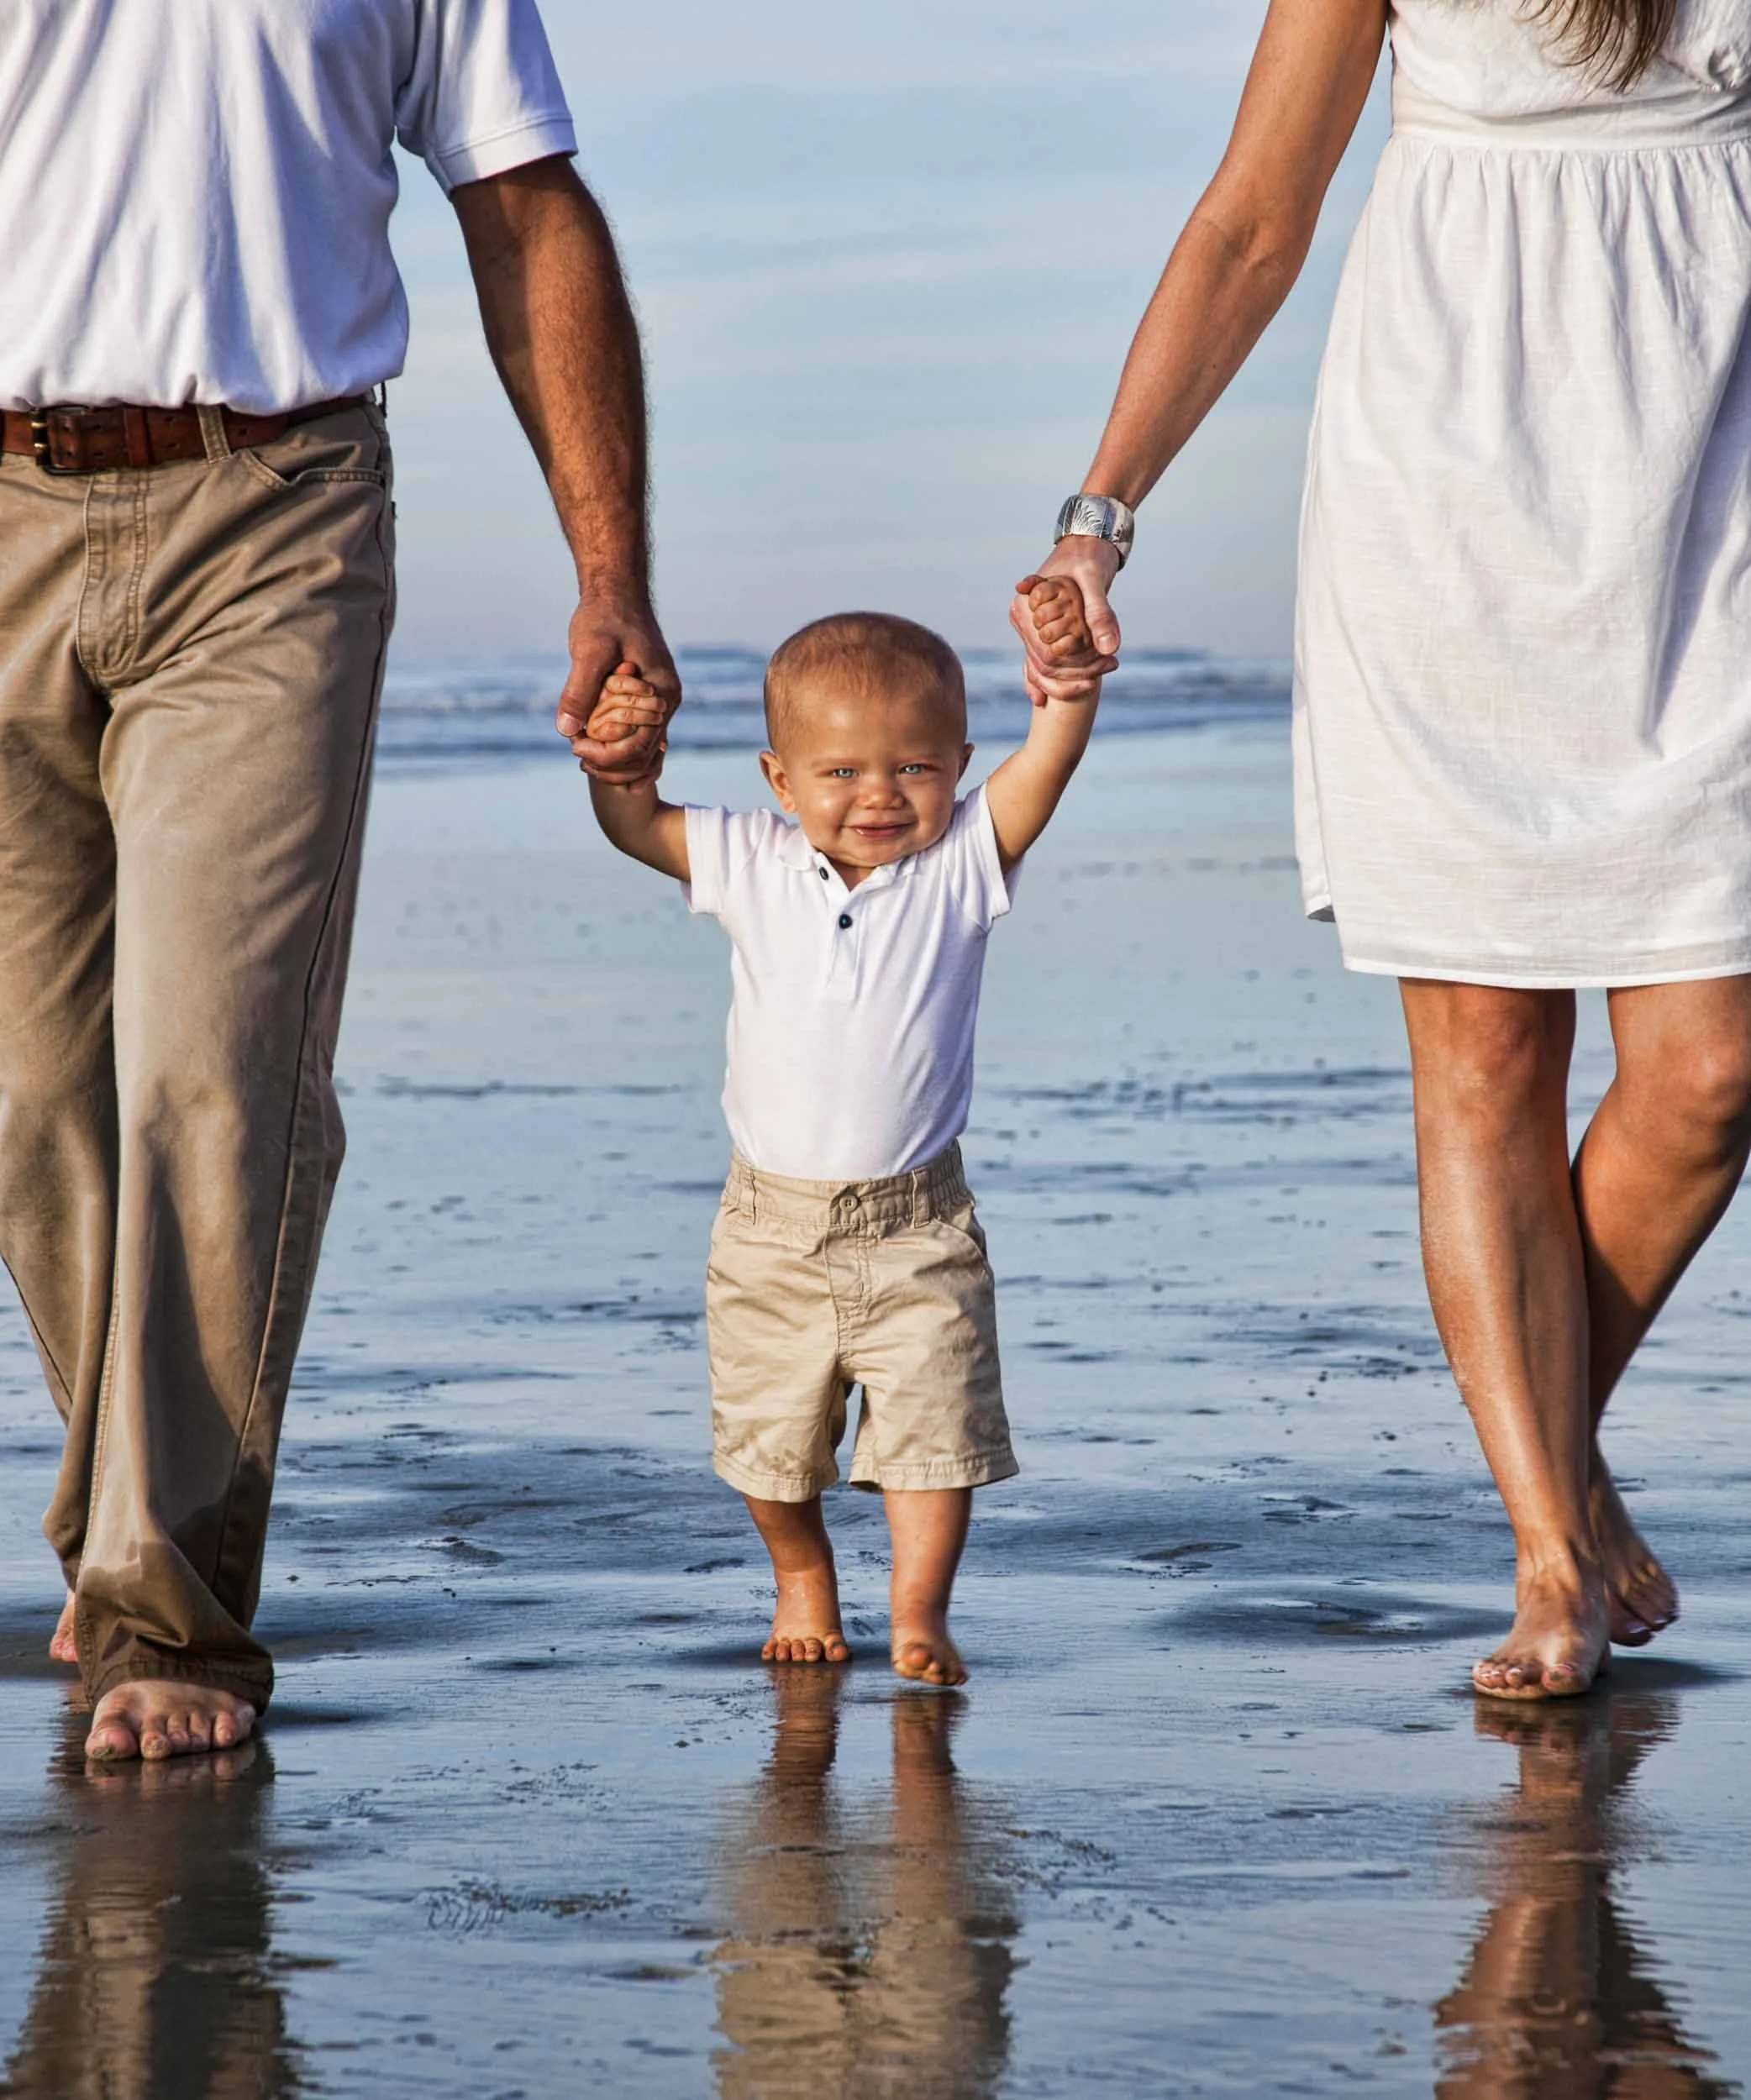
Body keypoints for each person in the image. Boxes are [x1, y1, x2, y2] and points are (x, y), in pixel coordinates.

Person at [1014, 0, 1751, 1699]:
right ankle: (1547, 1551)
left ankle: (1552, 1439)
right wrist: (1098, 516)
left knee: (1711, 1064)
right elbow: (1252, 212)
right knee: (1488, 1048)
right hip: (1453, 470)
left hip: (1710, 465)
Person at [0, 0, 676, 1763]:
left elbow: (526, 208)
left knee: (213, 1074)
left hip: (273, 507)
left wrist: (610, 570)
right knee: (31, 1096)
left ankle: (173, 1613)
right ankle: (127, 1517)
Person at [584, 586, 1097, 1684]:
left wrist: (1067, 689)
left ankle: (920, 1612)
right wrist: (618, 768)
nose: (879, 795)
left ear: (958, 766)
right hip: (769, 1227)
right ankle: (803, 1574)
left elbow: (1045, 766)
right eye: (842, 772)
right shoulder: (750, 860)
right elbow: (637, 826)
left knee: (934, 1437)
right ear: (780, 780)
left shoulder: (964, 861)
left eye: (914, 767)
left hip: (920, 1224)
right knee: (770, 1442)